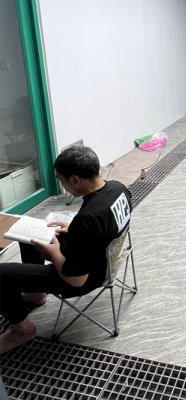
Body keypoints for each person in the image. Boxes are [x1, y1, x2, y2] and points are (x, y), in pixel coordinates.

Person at [0, 145, 132, 354]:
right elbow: (105, 226)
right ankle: (37, 294)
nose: (63, 186)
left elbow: (76, 280)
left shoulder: (88, 219)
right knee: (31, 237)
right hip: (103, 259)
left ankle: (22, 330)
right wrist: (73, 229)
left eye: (62, 181)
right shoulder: (118, 188)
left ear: (75, 180)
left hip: (85, 278)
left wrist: (53, 254)